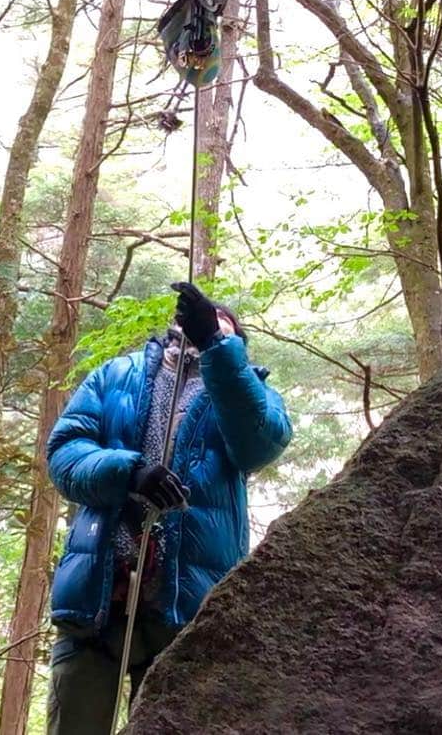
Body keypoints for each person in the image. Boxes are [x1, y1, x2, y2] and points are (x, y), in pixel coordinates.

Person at [44, 281, 292, 732]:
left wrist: (217, 349)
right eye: (200, 323)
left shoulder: (248, 395)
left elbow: (259, 445)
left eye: (224, 330)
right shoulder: (114, 377)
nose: (207, 330)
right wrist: (128, 472)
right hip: (97, 597)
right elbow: (63, 455)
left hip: (185, 614)